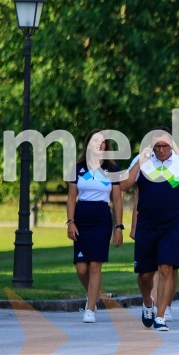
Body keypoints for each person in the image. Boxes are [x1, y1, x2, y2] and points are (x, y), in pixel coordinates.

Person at [121, 127, 179, 332]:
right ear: (152, 147)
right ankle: (148, 302)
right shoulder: (142, 162)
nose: (162, 150)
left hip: (172, 225)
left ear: (171, 145)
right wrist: (140, 161)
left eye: (165, 146)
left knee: (166, 268)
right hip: (146, 225)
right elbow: (124, 185)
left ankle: (161, 315)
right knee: (145, 275)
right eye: (158, 146)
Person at [66, 130, 124, 323]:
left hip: (101, 219)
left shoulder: (112, 169)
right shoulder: (77, 168)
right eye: (95, 140)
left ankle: (90, 309)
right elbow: (71, 198)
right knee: (81, 268)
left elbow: (117, 199)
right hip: (81, 218)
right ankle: (94, 295)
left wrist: (119, 227)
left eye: (103, 141)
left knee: (94, 266)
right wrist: (70, 222)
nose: (99, 144)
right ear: (88, 144)